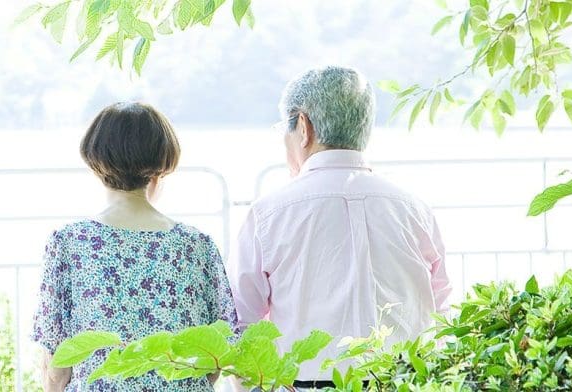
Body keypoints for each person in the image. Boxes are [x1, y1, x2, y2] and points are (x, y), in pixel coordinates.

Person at [227, 66, 452, 388]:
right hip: (404, 380)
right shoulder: (414, 210)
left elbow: (243, 323)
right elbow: (440, 309)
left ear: (303, 127)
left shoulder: (269, 214)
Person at [31, 102, 237, 392]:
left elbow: (57, 365)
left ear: (95, 159)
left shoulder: (69, 242)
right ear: (162, 163)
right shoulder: (196, 245)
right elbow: (214, 359)